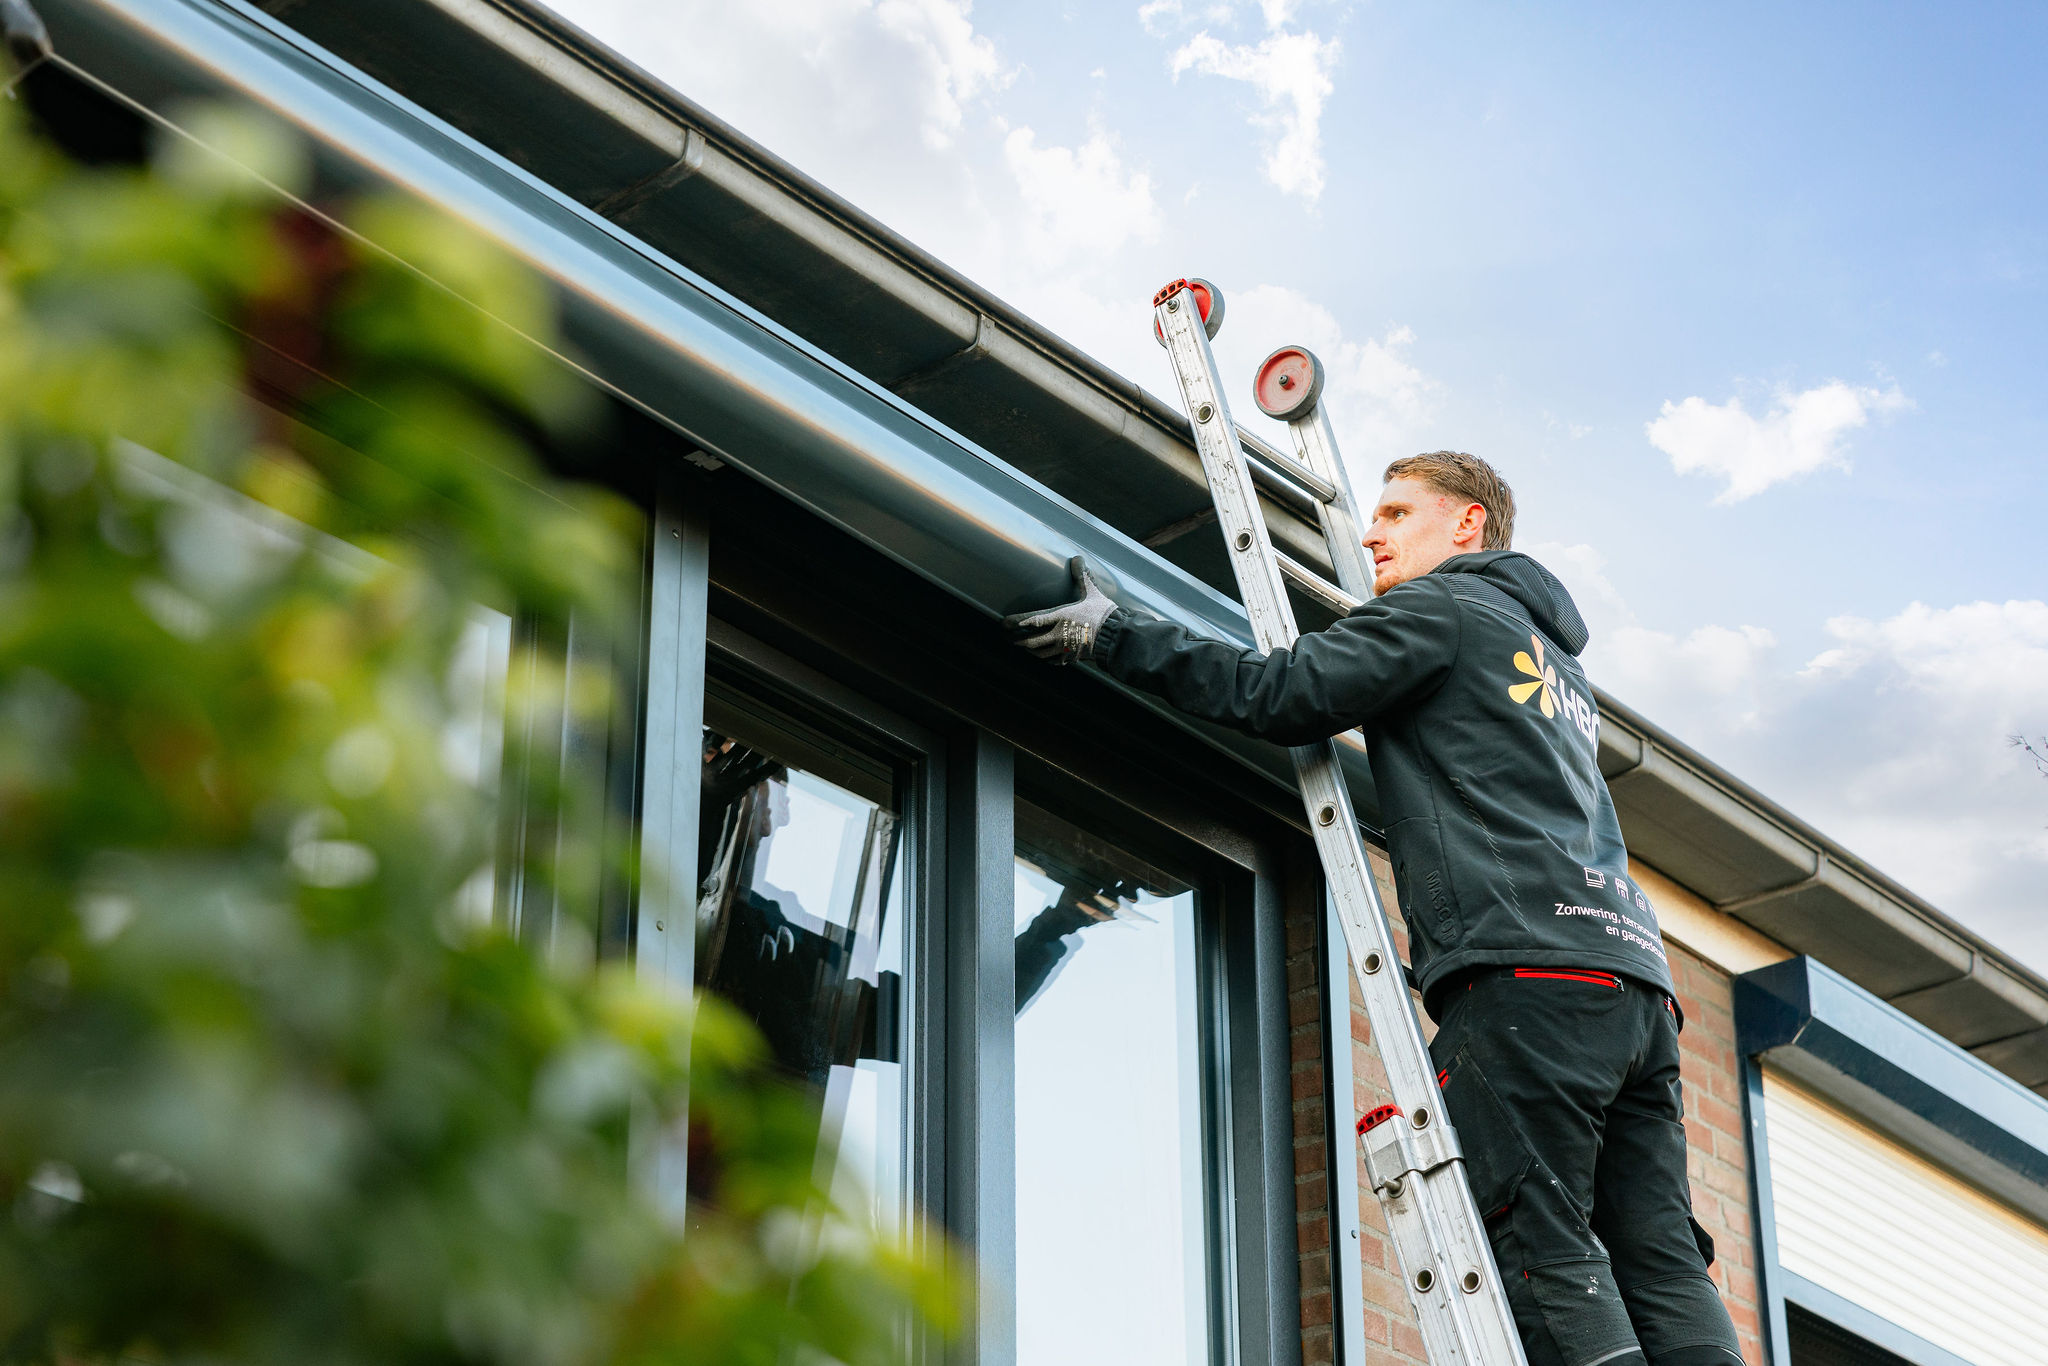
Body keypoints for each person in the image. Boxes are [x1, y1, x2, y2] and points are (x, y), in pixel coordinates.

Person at [1003, 451, 1744, 1366]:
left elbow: (1279, 693)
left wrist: (1116, 634)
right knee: (1661, 1257)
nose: (1369, 533)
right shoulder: (1552, 663)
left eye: (1397, 513)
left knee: (1540, 1238)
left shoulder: (1443, 608)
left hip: (1526, 977)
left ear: (1466, 523)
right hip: (1634, 987)